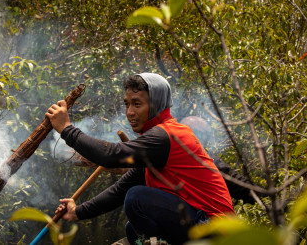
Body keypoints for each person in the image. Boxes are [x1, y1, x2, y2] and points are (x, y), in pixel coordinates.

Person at [46, 73, 235, 245]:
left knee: (137, 198)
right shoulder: (157, 142)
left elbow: (110, 155)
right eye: (127, 104)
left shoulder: (166, 136)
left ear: (157, 104)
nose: (130, 112)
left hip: (215, 230)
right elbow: (121, 189)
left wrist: (67, 129)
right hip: (202, 226)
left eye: (137, 104)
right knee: (132, 229)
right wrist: (78, 211)